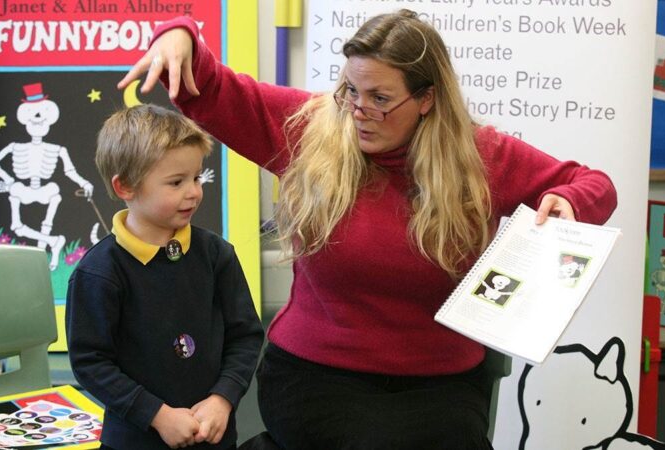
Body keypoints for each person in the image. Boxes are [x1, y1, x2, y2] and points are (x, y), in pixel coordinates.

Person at [119, 9, 618, 449]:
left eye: (380, 98)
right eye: (351, 92)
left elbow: (594, 184)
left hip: (441, 385)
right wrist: (180, 32)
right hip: (315, 377)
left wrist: (569, 200)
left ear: (426, 99)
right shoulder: (312, 128)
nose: (358, 111)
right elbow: (208, 88)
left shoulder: (480, 158)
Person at [66, 104, 264, 450]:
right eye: (176, 182)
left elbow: (245, 336)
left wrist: (223, 399)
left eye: (197, 178)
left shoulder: (216, 255)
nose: (193, 192)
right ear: (126, 186)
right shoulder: (98, 272)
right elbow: (90, 361)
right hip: (133, 442)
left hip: (213, 438)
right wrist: (156, 415)